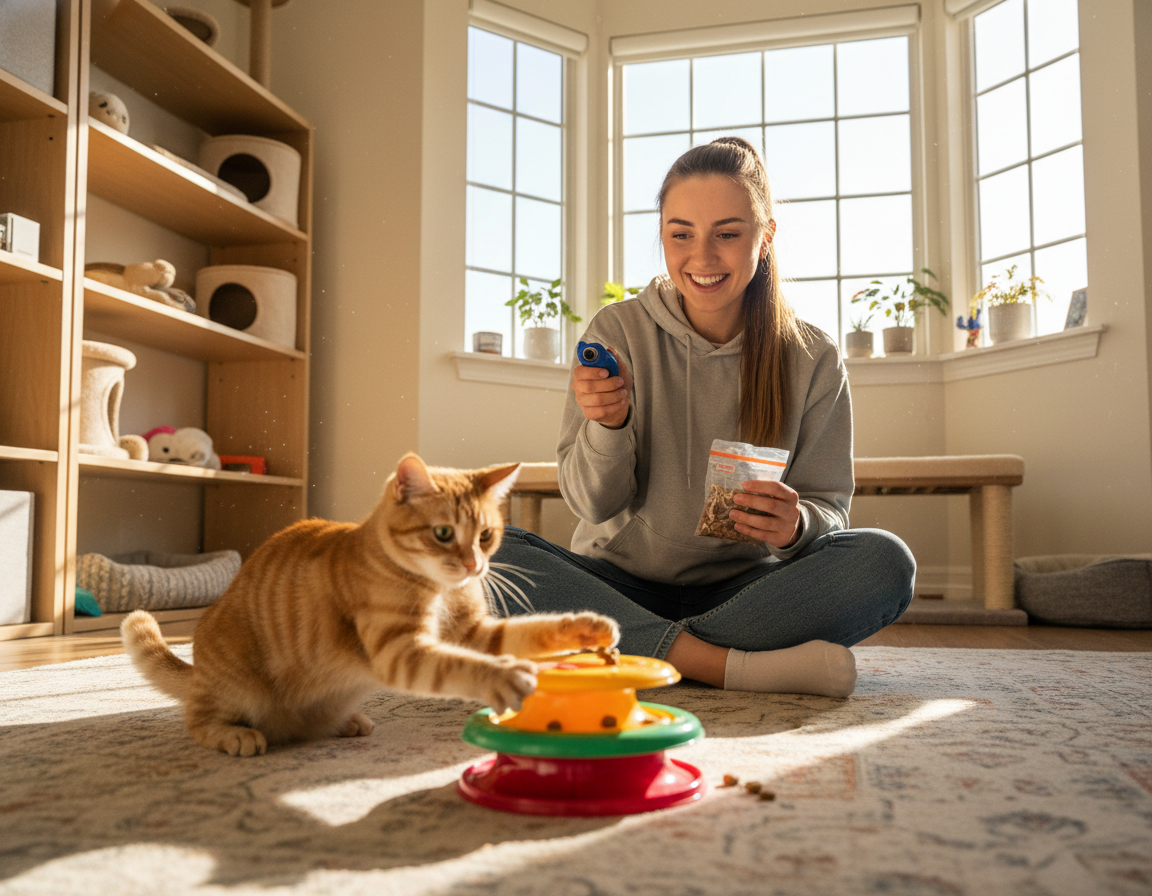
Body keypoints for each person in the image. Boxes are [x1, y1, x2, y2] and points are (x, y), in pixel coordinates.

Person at [490, 136, 915, 698]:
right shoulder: (617, 334)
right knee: (486, 550)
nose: (702, 258)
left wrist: (797, 527)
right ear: (662, 238)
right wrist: (608, 428)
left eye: (728, 235)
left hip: (746, 592)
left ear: (763, 241)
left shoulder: (813, 357)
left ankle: (636, 652)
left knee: (885, 562)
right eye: (681, 235)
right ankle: (725, 665)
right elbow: (591, 505)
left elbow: (829, 507)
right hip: (616, 582)